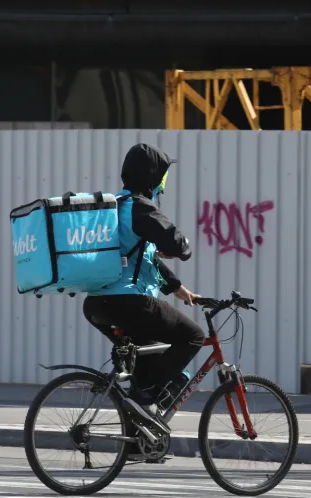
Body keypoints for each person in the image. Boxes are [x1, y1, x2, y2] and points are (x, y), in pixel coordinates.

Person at [83, 143, 206, 422]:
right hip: (129, 302)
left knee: (147, 365)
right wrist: (182, 248)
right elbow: (177, 243)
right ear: (152, 177)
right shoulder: (140, 208)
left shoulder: (111, 207)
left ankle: (140, 440)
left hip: (96, 305)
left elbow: (142, 256)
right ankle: (145, 396)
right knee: (193, 336)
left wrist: (177, 288)